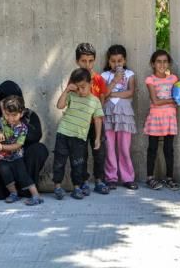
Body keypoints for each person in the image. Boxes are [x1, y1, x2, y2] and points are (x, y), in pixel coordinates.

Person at [0, 81, 48, 200]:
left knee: (39, 149)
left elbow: (36, 135)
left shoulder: (27, 115)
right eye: (4, 101)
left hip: (20, 160)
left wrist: (17, 125)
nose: (8, 105)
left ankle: (25, 189)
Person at [53, 68, 105, 200]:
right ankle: (57, 187)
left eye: (83, 87)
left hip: (79, 138)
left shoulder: (95, 101)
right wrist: (66, 90)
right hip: (63, 134)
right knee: (59, 162)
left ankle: (76, 188)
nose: (80, 91)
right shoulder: (72, 95)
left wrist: (98, 138)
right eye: (78, 87)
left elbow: (98, 119)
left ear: (90, 83)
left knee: (78, 164)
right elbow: (59, 106)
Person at [0, 95, 43, 205]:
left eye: (14, 115)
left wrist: (2, 147)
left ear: (21, 113)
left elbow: (18, 145)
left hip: (16, 156)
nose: (10, 118)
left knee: (23, 175)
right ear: (4, 112)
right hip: (2, 157)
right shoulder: (1, 121)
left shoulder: (23, 128)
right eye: (7, 114)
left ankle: (36, 195)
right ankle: (14, 194)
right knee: (6, 176)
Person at [101, 45, 138, 190]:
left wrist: (113, 94)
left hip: (124, 114)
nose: (117, 64)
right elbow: (103, 94)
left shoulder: (129, 74)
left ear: (125, 60)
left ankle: (128, 177)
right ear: (109, 62)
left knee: (124, 147)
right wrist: (115, 81)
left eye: (120, 61)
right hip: (108, 113)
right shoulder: (104, 76)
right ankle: (111, 177)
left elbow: (130, 92)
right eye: (113, 61)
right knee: (109, 147)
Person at [75, 43, 109, 195]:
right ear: (77, 62)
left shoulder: (99, 79)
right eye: (83, 61)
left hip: (96, 123)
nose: (87, 64)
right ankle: (82, 182)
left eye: (90, 61)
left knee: (99, 152)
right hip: (80, 123)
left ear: (94, 60)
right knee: (81, 154)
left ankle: (99, 180)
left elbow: (102, 100)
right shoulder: (74, 79)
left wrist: (98, 117)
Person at [144, 50, 180, 190]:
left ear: (169, 63)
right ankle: (150, 178)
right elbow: (155, 101)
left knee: (169, 149)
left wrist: (176, 99)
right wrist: (172, 100)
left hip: (170, 117)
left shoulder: (173, 79)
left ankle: (169, 178)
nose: (162, 64)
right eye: (158, 61)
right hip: (155, 117)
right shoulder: (150, 80)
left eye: (165, 61)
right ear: (153, 64)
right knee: (152, 148)